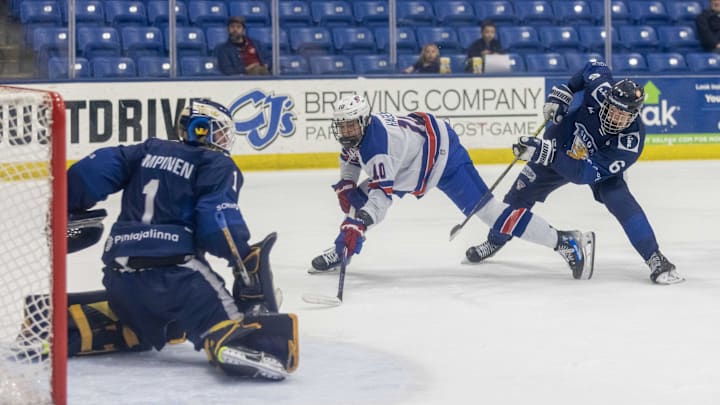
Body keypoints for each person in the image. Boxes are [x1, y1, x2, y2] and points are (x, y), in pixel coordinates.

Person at [31, 99, 299, 380]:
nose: (224, 139)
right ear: (201, 130)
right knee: (224, 317)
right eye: (219, 131)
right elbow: (216, 222)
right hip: (175, 273)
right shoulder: (217, 163)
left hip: (119, 274)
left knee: (149, 322)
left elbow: (91, 172)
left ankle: (63, 324)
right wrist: (241, 255)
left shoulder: (146, 150)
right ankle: (234, 343)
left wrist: (67, 204)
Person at [309, 95, 597, 281]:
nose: (346, 132)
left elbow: (381, 199)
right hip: (410, 163)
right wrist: (347, 182)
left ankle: (565, 241)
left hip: (443, 157)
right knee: (359, 202)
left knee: (491, 214)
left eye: (351, 127)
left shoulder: (378, 148)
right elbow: (350, 158)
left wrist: (359, 223)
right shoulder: (362, 136)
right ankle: (341, 249)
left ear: (363, 122)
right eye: (342, 127)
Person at [466, 61, 685, 285]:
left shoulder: (629, 143)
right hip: (559, 145)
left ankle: (655, 257)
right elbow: (595, 66)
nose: (615, 117)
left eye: (623, 114)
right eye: (613, 108)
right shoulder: (600, 89)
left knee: (620, 200)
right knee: (517, 197)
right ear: (607, 99)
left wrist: (545, 154)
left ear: (635, 114)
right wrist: (567, 90)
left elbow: (582, 174)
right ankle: (495, 239)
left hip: (591, 165)